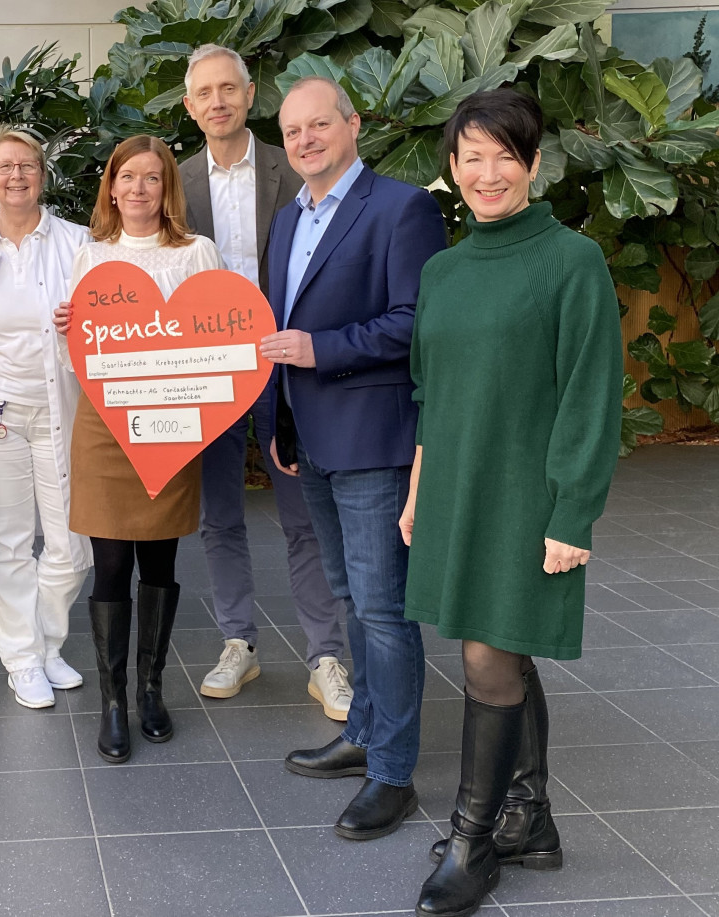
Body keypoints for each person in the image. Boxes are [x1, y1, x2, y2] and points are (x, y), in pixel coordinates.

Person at [404, 89, 622, 917]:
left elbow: (589, 397)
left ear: (534, 163)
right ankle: (529, 818)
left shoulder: (572, 261)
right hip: (459, 483)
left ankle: (472, 838)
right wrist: (421, 487)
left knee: (490, 657)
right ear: (451, 168)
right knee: (498, 643)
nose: (486, 173)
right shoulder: (444, 268)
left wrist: (573, 513)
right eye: (471, 157)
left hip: (529, 495)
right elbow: (432, 388)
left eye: (505, 155)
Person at [263, 77, 447, 839]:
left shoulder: (402, 208)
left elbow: (417, 322)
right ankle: (365, 732)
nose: (305, 140)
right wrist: (277, 416)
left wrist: (321, 350)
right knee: (347, 596)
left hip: (372, 438)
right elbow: (278, 325)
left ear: (352, 123)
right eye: (293, 131)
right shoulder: (287, 220)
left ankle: (393, 772)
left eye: (319, 125)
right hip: (310, 438)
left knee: (381, 607)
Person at [179, 44, 351, 718]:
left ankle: (326, 656)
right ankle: (237, 642)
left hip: (287, 363)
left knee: (303, 512)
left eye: (229, 88)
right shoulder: (176, 178)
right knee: (218, 514)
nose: (217, 101)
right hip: (210, 370)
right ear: (190, 107)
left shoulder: (294, 165)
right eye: (204, 92)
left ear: (251, 96)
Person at [55, 134, 225, 764]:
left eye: (151, 178)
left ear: (167, 188)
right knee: (108, 567)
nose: (137, 189)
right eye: (127, 177)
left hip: (172, 428)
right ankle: (113, 702)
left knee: (158, 565)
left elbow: (217, 340)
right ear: (111, 184)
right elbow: (83, 355)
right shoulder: (90, 254)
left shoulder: (197, 253)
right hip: (103, 428)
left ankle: (151, 689)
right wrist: (69, 331)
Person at [0, 130, 92, 709]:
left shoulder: (80, 244)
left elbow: (105, 329)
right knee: (7, 540)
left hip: (64, 410)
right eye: (3, 167)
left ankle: (48, 641)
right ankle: (22, 659)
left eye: (26, 165)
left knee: (71, 540)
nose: (16, 176)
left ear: (42, 173)